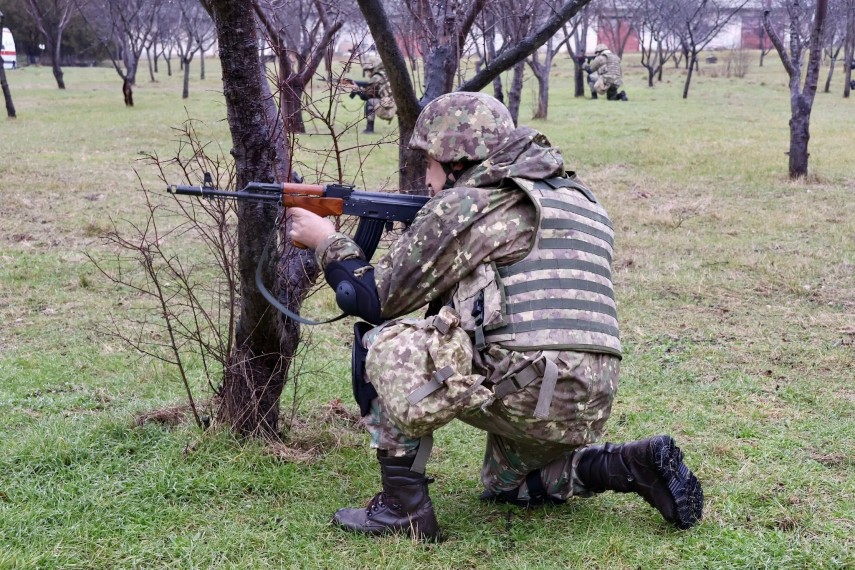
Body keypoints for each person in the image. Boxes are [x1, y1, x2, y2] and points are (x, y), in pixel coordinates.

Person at [289, 92, 702, 541]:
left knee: (385, 340)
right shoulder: (580, 200)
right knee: (510, 485)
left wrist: (325, 239)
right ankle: (628, 464)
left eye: (428, 162)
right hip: (588, 395)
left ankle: (401, 509)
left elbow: (371, 298)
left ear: (454, 160)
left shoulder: (471, 204)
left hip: (527, 387)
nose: (426, 177)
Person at [349, 56, 395, 133]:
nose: (367, 74)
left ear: (373, 68)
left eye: (368, 71)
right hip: (396, 104)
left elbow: (366, 96)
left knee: (370, 102)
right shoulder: (386, 73)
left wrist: (357, 90)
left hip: (389, 108)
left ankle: (369, 129)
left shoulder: (376, 77)